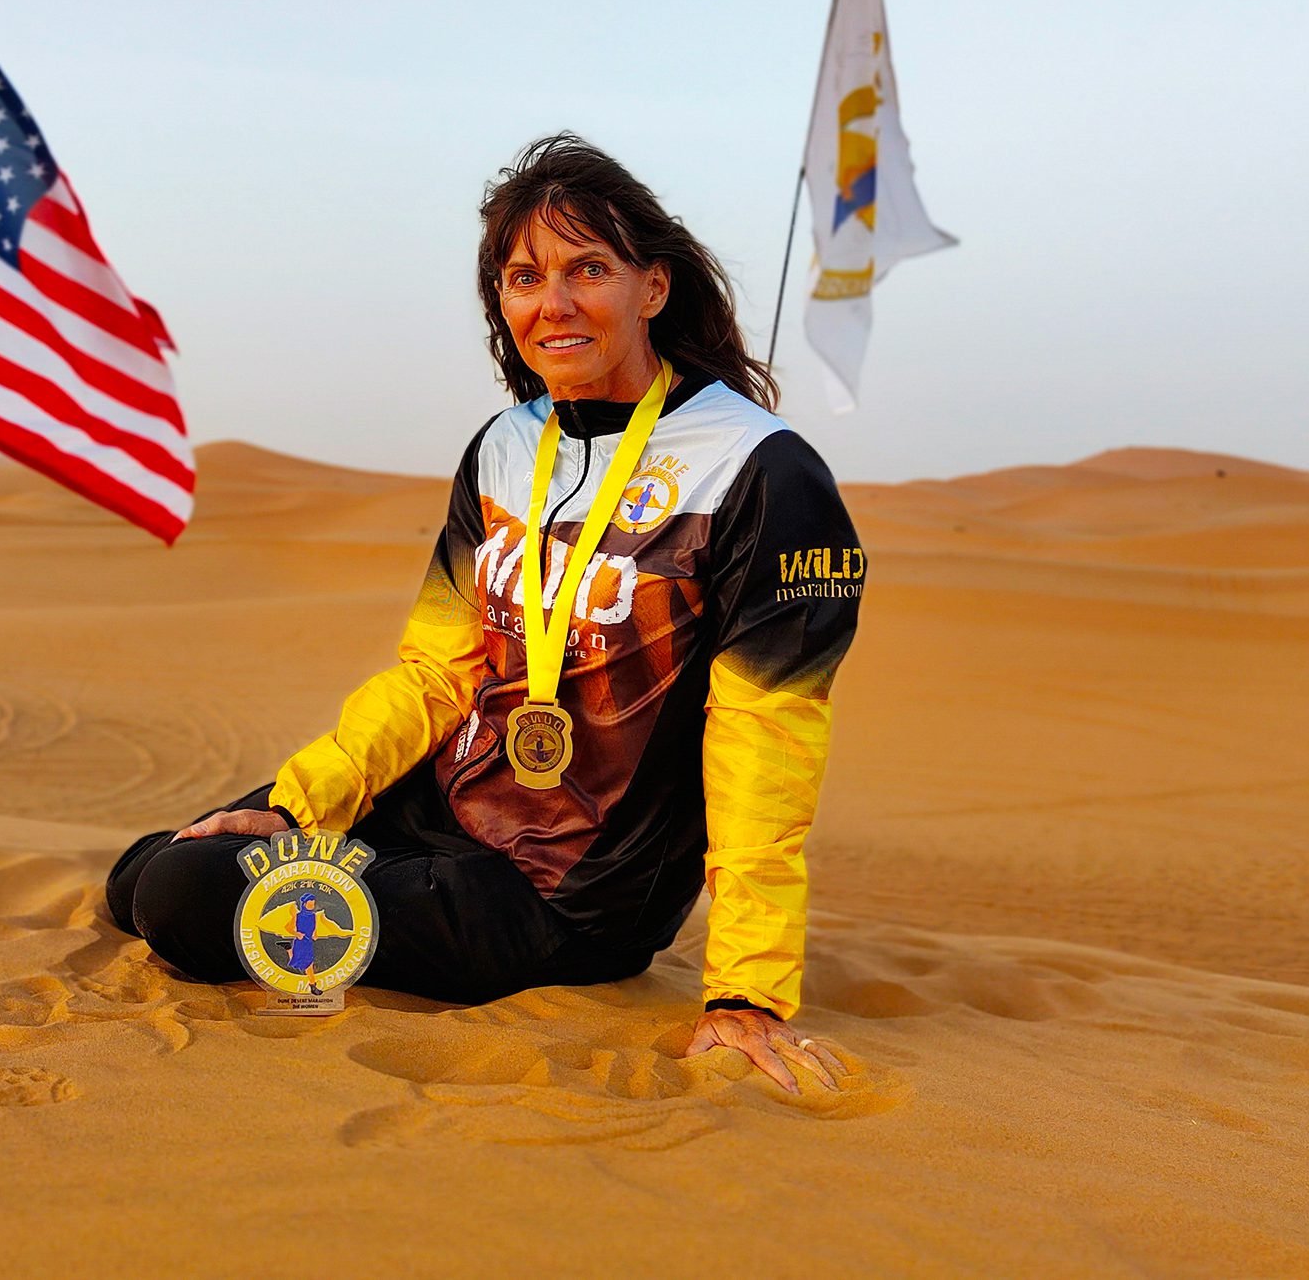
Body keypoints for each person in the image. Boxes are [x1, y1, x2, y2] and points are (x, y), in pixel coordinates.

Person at [106, 134, 863, 1093]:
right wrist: (298, 800)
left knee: (180, 896)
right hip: (444, 812)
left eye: (589, 268)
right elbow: (437, 672)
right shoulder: (507, 446)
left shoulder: (762, 471)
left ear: (654, 287)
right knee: (146, 871)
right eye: (524, 276)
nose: (554, 303)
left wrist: (746, 991)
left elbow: (767, 733)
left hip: (562, 894)